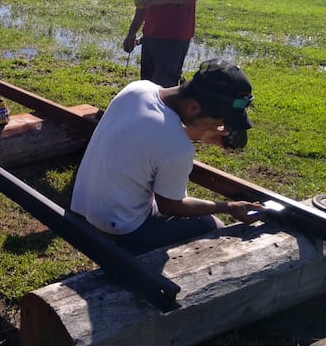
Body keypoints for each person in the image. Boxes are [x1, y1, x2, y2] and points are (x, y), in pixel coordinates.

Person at [70, 58, 264, 255]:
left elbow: (152, 131)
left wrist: (195, 132)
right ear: (193, 108)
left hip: (84, 204)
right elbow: (171, 206)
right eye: (215, 122)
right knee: (212, 225)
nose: (216, 129)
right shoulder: (177, 148)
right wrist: (229, 206)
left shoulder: (138, 89)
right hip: (119, 226)